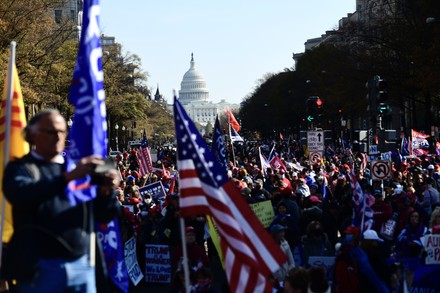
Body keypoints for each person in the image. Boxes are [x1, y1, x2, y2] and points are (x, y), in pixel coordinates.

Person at [2, 109, 120, 292]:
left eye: (62, 132)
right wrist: (67, 178)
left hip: (81, 266)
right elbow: (22, 194)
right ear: (33, 134)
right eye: (51, 132)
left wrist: (106, 191)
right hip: (39, 268)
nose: (57, 137)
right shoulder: (22, 168)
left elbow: (105, 215)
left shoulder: (78, 170)